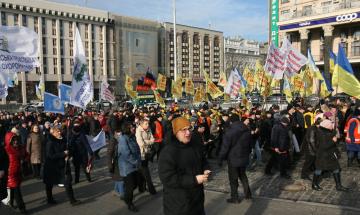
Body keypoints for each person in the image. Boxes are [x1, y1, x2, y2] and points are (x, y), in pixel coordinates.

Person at [159, 117, 210, 215]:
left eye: (189, 129)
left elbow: (203, 160)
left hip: (197, 200)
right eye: (183, 130)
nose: (188, 133)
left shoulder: (194, 145)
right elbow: (168, 178)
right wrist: (194, 180)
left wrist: (206, 168)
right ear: (176, 132)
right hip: (179, 204)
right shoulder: (168, 151)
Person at [43, 127, 80, 205]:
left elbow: (69, 149)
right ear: (53, 134)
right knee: (49, 184)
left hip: (64, 166)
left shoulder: (64, 140)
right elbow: (50, 156)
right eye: (57, 132)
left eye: (59, 131)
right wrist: (63, 154)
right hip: (52, 167)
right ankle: (49, 199)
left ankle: (72, 200)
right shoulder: (50, 142)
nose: (59, 133)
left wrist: (68, 155)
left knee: (68, 182)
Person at [219, 116, 252, 203]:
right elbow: (250, 145)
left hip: (233, 158)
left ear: (231, 122)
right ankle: (248, 194)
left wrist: (220, 158)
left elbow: (225, 147)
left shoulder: (229, 131)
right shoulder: (247, 129)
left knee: (233, 179)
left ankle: (235, 198)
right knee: (243, 175)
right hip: (244, 156)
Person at [312, 119, 349, 192]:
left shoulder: (327, 131)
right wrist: (333, 141)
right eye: (331, 125)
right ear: (327, 126)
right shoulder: (321, 133)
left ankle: (338, 186)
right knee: (319, 170)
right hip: (323, 156)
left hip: (330, 155)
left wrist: (335, 133)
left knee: (336, 169)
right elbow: (324, 146)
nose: (332, 125)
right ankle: (314, 184)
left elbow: (331, 136)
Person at [118, 122, 141, 212]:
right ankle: (129, 203)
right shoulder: (123, 139)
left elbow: (137, 149)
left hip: (134, 165)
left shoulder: (132, 137)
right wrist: (136, 162)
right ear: (126, 128)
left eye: (133, 127)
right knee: (131, 186)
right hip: (127, 167)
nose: (133, 128)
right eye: (131, 127)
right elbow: (126, 154)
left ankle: (125, 196)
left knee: (135, 184)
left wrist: (139, 158)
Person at [4, 128, 26, 213]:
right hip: (10, 173)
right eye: (13, 140)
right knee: (17, 191)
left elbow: (24, 155)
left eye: (16, 139)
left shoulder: (18, 148)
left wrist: (24, 156)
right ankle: (22, 208)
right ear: (9, 141)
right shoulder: (6, 150)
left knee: (13, 189)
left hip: (17, 171)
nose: (15, 141)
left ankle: (11, 203)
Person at [135, 118, 156, 194]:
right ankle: (151, 189)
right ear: (141, 124)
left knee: (142, 171)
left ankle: (142, 187)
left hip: (147, 152)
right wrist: (149, 141)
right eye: (146, 124)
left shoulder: (149, 129)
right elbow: (141, 143)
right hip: (141, 154)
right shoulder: (138, 131)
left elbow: (153, 139)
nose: (148, 125)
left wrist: (147, 141)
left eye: (148, 123)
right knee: (146, 172)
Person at [301, 115, 322, 181]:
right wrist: (315, 150)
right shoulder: (312, 129)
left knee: (311, 161)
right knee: (308, 162)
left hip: (312, 148)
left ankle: (310, 171)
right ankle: (304, 175)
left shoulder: (315, 128)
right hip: (310, 149)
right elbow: (311, 140)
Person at [107, 127, 124, 199]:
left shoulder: (120, 140)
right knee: (120, 179)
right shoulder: (113, 142)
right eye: (118, 135)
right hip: (116, 162)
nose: (120, 136)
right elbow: (109, 154)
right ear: (115, 135)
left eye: (121, 134)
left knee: (118, 178)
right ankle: (122, 194)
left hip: (120, 161)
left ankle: (116, 190)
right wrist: (110, 165)